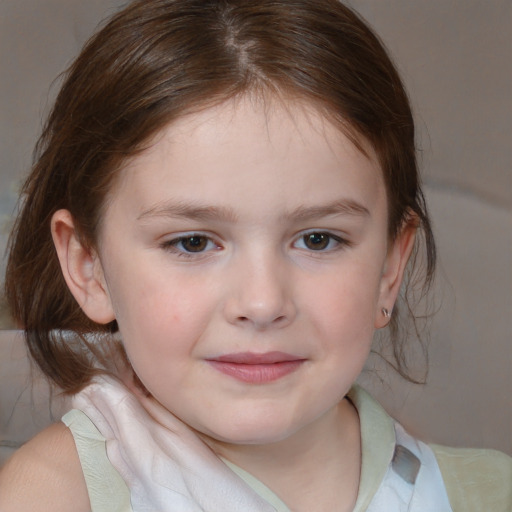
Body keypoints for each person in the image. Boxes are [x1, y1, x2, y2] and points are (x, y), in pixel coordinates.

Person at [0, 0, 510, 510]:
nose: (263, 302)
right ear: (89, 267)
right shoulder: (51, 496)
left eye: (318, 239)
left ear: (390, 268)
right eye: (193, 242)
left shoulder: (488, 492)